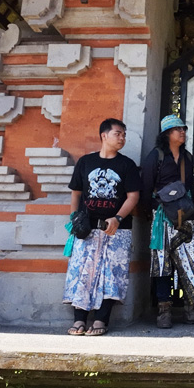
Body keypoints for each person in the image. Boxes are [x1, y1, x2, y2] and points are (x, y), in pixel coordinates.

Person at [62, 118, 140, 336]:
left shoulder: (127, 165)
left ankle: (101, 321)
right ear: (104, 135)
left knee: (111, 276)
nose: (122, 138)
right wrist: (74, 219)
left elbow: (133, 196)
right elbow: (76, 192)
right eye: (118, 133)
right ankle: (79, 320)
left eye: (124, 134)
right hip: (86, 229)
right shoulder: (86, 163)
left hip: (117, 229)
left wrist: (117, 217)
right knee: (81, 273)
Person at [142, 114, 194, 328]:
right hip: (161, 217)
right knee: (162, 264)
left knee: (192, 262)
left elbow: (189, 187)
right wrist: (150, 210)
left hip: (185, 217)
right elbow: (146, 187)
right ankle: (164, 312)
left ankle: (193, 310)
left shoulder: (187, 157)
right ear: (166, 134)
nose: (182, 132)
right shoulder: (155, 156)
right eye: (177, 129)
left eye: (183, 128)